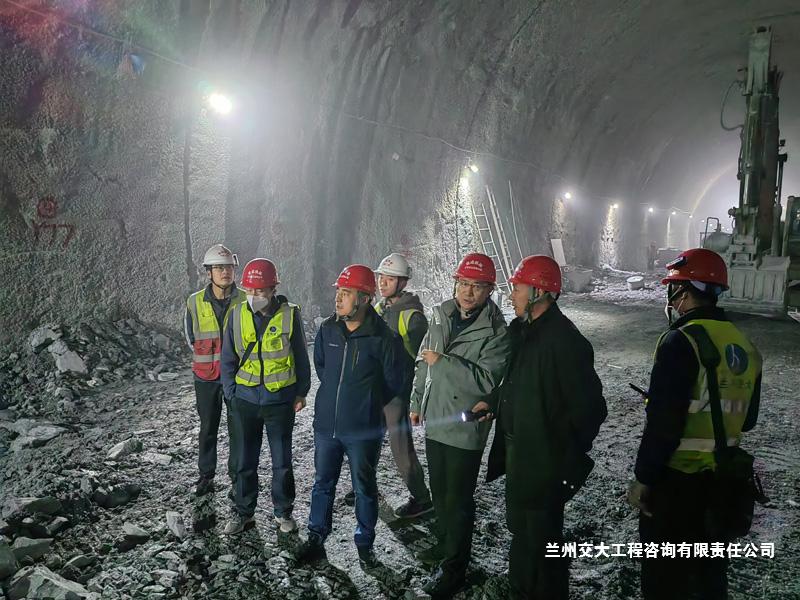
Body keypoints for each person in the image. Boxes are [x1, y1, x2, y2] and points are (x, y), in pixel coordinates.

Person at [627, 248, 762, 599]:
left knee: (665, 580)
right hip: (723, 484)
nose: (672, 299)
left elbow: (664, 426)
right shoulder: (745, 346)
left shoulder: (680, 341)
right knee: (708, 576)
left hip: (677, 485)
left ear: (684, 291)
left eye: (673, 289)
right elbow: (748, 420)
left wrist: (643, 478)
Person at [487, 255, 606, 600]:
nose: (512, 294)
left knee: (542, 543)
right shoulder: (523, 332)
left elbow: (591, 410)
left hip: (543, 464)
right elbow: (517, 385)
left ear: (539, 292)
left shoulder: (565, 341)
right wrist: (493, 404)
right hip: (520, 455)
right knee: (522, 531)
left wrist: (560, 458)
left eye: (518, 288)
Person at [294, 264, 410, 571]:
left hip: (363, 430)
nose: (338, 298)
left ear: (365, 299)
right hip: (326, 426)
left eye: (346, 293)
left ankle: (365, 544)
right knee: (322, 483)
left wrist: (366, 404)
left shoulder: (384, 338)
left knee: (364, 487)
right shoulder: (328, 330)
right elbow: (323, 368)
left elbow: (395, 383)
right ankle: (316, 537)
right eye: (338, 292)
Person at [409, 252, 511, 597]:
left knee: (458, 499)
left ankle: (455, 568)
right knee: (440, 492)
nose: (468, 292)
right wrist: (416, 401)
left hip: (465, 426)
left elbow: (485, 381)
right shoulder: (440, 314)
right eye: (464, 284)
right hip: (436, 418)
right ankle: (445, 546)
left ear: (490, 290)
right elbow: (423, 362)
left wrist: (443, 363)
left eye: (477, 286)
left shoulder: (497, 332)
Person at [220, 258, 311, 535]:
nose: (254, 296)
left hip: (279, 401)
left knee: (281, 462)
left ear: (273, 289)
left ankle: (283, 512)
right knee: (244, 461)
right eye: (249, 290)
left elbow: (300, 356)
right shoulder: (236, 314)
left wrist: (301, 392)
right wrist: (231, 394)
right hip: (245, 400)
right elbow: (227, 358)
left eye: (260, 291)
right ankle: (243, 512)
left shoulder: (290, 314)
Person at [184, 244, 247, 497]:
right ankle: (206, 476)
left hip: (237, 376)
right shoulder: (194, 301)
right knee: (207, 428)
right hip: (205, 376)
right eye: (219, 267)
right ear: (208, 272)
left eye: (229, 267)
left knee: (238, 430)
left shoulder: (246, 299)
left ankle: (237, 479)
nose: (225, 272)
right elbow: (190, 336)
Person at [373, 252, 433, 519]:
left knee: (401, 448)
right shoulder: (379, 309)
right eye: (381, 277)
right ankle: (364, 483)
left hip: (397, 392)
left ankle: (422, 498)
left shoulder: (413, 317)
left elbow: (423, 361)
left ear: (403, 282)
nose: (382, 282)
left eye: (390, 278)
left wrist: (416, 399)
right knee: (368, 440)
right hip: (376, 388)